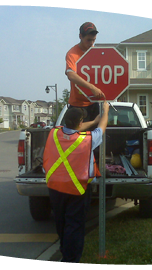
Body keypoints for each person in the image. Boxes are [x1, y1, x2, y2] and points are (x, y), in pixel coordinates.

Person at [43, 101, 109, 265]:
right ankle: (70, 261)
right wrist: (105, 112)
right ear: (80, 124)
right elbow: (102, 128)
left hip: (55, 187)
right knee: (74, 225)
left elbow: (73, 128)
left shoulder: (53, 133)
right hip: (76, 189)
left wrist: (93, 121)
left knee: (61, 222)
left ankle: (65, 251)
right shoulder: (86, 140)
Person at [65, 21, 105, 128]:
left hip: (94, 104)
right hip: (77, 106)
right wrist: (92, 87)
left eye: (94, 40)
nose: (91, 43)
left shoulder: (96, 53)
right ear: (80, 36)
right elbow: (71, 75)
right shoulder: (72, 53)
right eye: (88, 40)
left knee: (95, 140)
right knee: (77, 139)